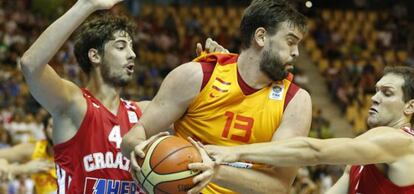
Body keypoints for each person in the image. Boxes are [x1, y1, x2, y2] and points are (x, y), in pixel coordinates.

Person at [121, 0, 312, 193]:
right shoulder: (196, 76)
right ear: (261, 37)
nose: (296, 53)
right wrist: (141, 152)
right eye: (290, 42)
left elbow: (278, 187)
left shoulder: (296, 101)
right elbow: (134, 136)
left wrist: (214, 170)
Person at [203, 66, 414, 194]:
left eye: (387, 93)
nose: (374, 98)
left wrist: (235, 152)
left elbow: (315, 152)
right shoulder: (360, 162)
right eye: (376, 91)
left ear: (410, 106)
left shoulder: (402, 141)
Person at [19, 0, 148, 193]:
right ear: (95, 56)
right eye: (121, 47)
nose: (132, 54)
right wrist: (86, 5)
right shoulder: (74, 103)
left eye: (131, 47)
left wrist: (209, 66)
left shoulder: (144, 112)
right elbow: (30, 65)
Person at [0, 116, 56, 193]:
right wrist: (24, 169)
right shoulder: (33, 150)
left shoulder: (76, 154)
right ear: (44, 130)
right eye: (52, 126)